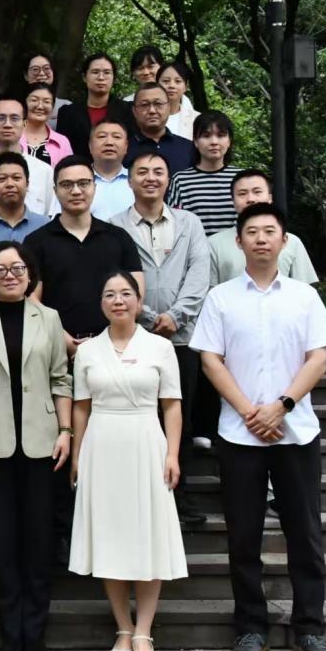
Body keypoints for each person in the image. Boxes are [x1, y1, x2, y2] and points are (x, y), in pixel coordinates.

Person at [190, 202, 326, 651]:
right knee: (243, 537)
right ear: (238, 242)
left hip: (296, 433)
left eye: (269, 231)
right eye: (251, 232)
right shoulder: (220, 298)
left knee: (305, 535)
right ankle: (251, 628)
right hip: (239, 436)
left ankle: (309, 629)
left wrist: (282, 406)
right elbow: (210, 360)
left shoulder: (303, 297)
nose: (260, 238)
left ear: (284, 241)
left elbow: (318, 357)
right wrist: (248, 411)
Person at [0, 242, 72, 651]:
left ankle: (35, 631)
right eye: (1, 269)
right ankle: (10, 631)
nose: (10, 275)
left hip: (43, 443)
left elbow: (61, 378)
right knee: (3, 541)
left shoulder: (49, 318)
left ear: (30, 275)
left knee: (39, 541)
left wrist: (66, 431)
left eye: (18, 268)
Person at [68, 270, 188, 651]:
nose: (118, 300)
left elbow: (171, 405)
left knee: (147, 536)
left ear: (138, 301)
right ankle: (123, 626)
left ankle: (143, 631)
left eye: (125, 294)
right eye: (109, 294)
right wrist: (77, 455)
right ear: (101, 303)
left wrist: (172, 455)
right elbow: (81, 407)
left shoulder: (160, 347)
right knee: (111, 536)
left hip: (146, 442)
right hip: (101, 443)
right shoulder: (88, 351)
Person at [112, 152, 211, 524]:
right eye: (142, 172)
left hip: (182, 341)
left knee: (179, 418)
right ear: (130, 180)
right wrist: (151, 318)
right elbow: (116, 281)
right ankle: (139, 499)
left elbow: (199, 274)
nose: (150, 178)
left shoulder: (189, 223)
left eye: (158, 171)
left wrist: (176, 316)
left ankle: (177, 499)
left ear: (169, 180)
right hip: (134, 337)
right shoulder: (114, 226)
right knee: (139, 417)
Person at [24, 157, 144, 357]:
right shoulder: (36, 242)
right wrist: (66, 342)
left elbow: (135, 296)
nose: (76, 191)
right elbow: (31, 299)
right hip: (54, 351)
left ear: (94, 187)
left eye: (83, 183)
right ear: (55, 190)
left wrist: (103, 344)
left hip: (114, 351)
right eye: (66, 185)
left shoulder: (119, 237)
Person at [209, 169, 318, 285]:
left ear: (270, 197)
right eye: (242, 193)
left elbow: (304, 289)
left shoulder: (292, 242)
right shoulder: (214, 244)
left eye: (257, 192)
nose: (250, 199)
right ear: (233, 201)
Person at [0, 98, 58, 218]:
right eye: (1, 118)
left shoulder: (45, 171)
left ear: (24, 124)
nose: (7, 124)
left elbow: (51, 216)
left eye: (14, 118)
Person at [167, 110, 242, 235]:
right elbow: (174, 224)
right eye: (206, 136)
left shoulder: (241, 178)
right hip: (195, 247)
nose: (214, 142)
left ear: (229, 141)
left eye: (221, 135)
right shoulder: (181, 180)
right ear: (196, 141)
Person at [55, 53, 137, 155]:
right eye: (95, 72)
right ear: (84, 77)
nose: (101, 77)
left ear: (114, 78)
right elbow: (63, 151)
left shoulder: (128, 110)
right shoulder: (67, 113)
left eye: (107, 72)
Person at [125, 82, 195, 175]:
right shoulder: (124, 149)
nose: (152, 111)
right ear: (134, 111)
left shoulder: (189, 148)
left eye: (158, 103)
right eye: (145, 105)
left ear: (169, 107)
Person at [0, 152, 50, 245]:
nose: (10, 184)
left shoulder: (45, 225)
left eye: (16, 178)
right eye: (2, 179)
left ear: (27, 184)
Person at [89, 120, 135, 222]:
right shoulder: (77, 182)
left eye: (117, 137)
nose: (109, 142)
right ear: (90, 146)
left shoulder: (137, 182)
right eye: (102, 136)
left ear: (126, 146)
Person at [20, 83, 74, 165]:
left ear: (53, 107)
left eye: (46, 102)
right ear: (23, 104)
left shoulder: (62, 142)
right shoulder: (10, 134)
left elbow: (68, 171)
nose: (40, 106)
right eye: (34, 100)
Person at [23, 51, 71, 120]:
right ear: (26, 75)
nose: (41, 73)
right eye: (35, 69)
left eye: (46, 68)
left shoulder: (67, 106)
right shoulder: (13, 106)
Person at [158, 61, 198, 141]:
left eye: (178, 81)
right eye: (166, 81)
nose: (171, 86)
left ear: (185, 87)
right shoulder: (143, 116)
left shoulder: (196, 118)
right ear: (157, 85)